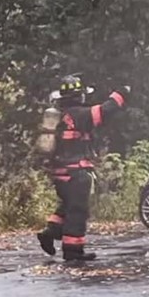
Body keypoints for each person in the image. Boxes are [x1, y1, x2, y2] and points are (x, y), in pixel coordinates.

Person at [35, 75, 128, 262]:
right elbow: (106, 110)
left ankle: (49, 232)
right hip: (76, 172)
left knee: (68, 205)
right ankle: (73, 252)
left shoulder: (58, 115)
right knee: (78, 211)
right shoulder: (82, 114)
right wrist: (122, 93)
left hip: (59, 173)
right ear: (80, 96)